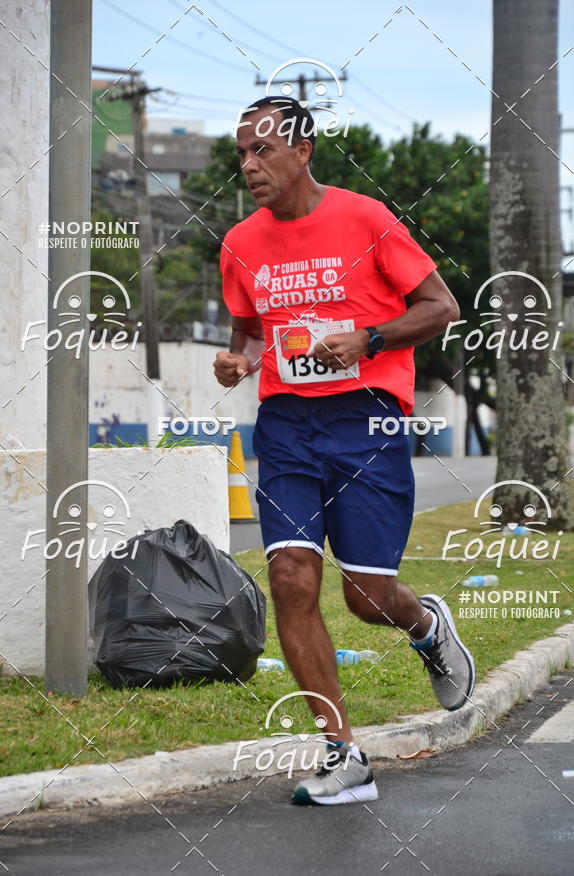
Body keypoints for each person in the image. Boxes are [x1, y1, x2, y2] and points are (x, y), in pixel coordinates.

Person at [214, 96, 475, 806]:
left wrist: (370, 339)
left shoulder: (366, 219)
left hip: (367, 420)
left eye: (262, 150)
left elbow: (442, 307)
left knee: (365, 597)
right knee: (291, 579)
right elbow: (249, 329)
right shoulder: (239, 242)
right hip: (286, 424)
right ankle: (344, 755)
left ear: (303, 150)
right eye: (241, 153)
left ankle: (426, 626)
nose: (249, 166)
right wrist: (238, 361)